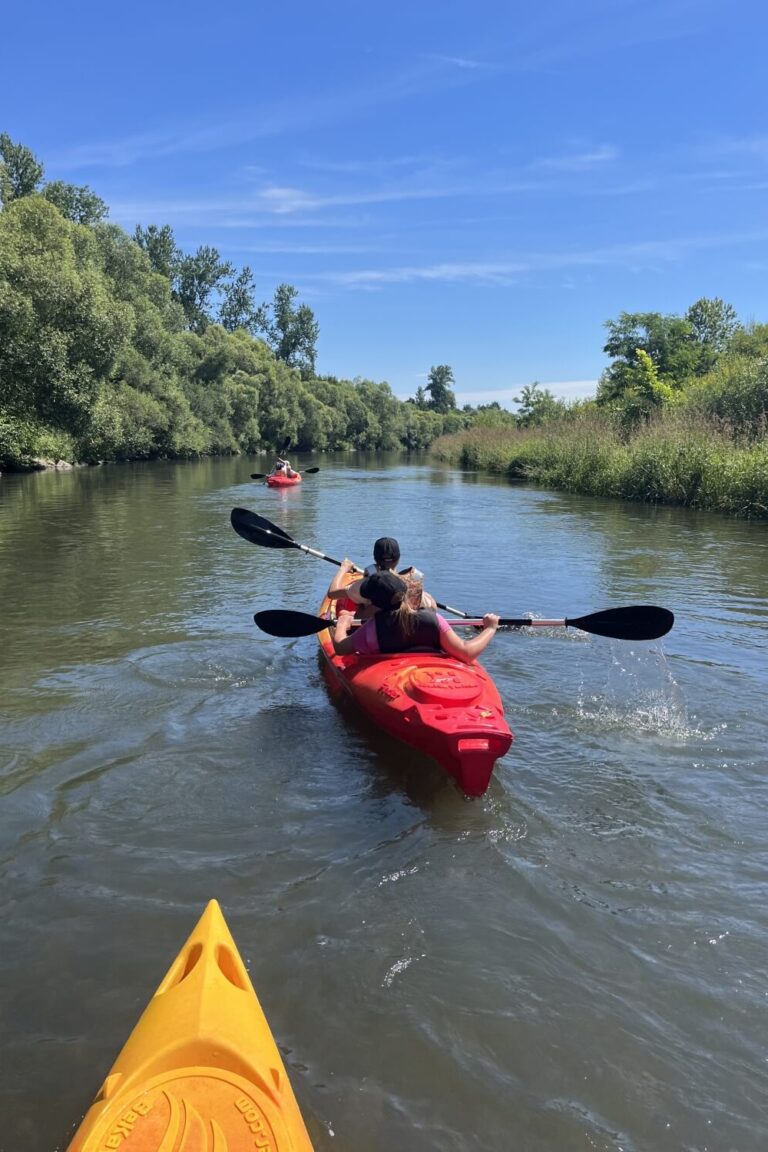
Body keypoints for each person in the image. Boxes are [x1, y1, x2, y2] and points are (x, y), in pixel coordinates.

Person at [332, 570, 499, 663]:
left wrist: (342, 624)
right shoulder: (433, 619)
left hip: (390, 673)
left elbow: (340, 648)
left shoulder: (373, 628)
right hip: (435, 671)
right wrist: (490, 628)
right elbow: (467, 653)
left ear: (373, 602)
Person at [327, 536, 436, 615]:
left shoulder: (369, 584)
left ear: (375, 559)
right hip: (410, 633)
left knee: (353, 610)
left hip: (381, 635)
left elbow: (332, 593)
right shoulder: (414, 579)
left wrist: (343, 568)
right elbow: (433, 607)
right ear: (398, 559)